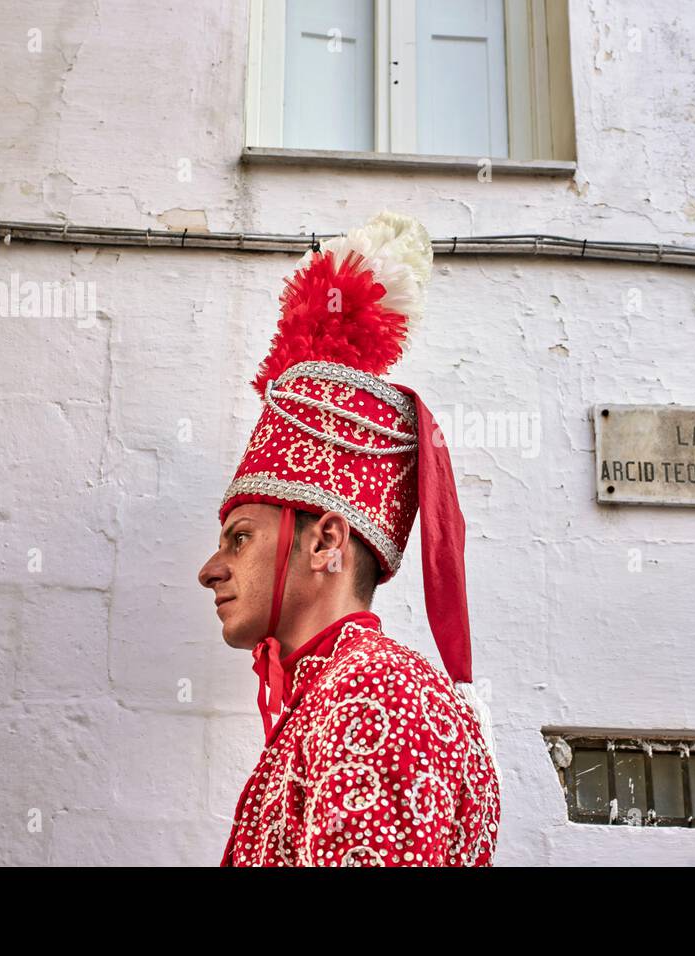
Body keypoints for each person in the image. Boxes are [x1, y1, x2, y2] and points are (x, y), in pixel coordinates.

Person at [197, 211, 500, 866]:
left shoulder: (373, 692)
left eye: (239, 538)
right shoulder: (332, 695)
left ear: (324, 540)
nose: (211, 569)